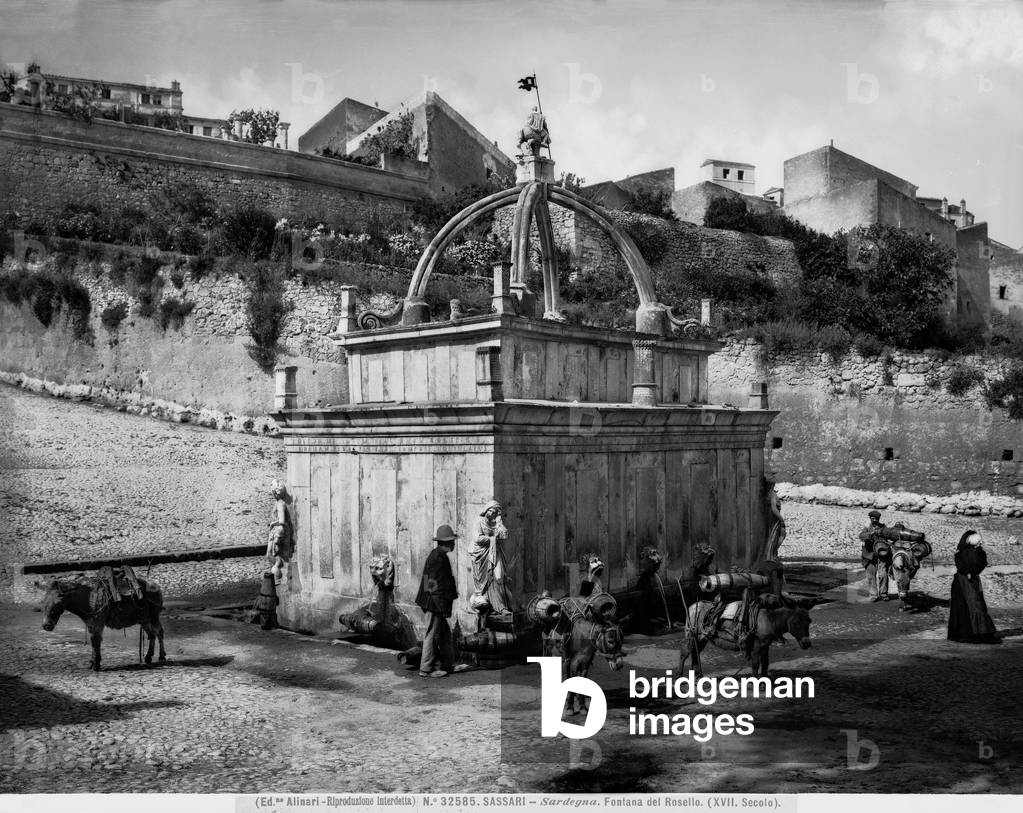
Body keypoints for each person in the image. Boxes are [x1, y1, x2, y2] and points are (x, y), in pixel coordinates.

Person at [415, 524, 469, 677]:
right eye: (451, 541)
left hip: (433, 601)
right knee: (431, 633)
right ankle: (425, 669)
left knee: (444, 634)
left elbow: (431, 583)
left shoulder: (438, 555)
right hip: (434, 603)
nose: (453, 543)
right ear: (445, 542)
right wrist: (442, 607)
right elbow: (432, 586)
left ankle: (447, 665)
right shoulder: (438, 558)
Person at [948, 530, 999, 643]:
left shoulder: (966, 552)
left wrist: (971, 571)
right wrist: (970, 572)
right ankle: (977, 634)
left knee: (972, 606)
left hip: (966, 581)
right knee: (973, 605)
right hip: (964, 583)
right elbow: (969, 566)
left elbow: (978, 565)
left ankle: (973, 633)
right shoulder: (967, 553)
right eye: (979, 542)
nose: (980, 544)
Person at [470, 500, 514, 615]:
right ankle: (492, 607)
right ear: (486, 510)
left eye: (496, 513)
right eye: (493, 511)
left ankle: (502, 607)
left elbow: (504, 535)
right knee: (484, 583)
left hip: (494, 553)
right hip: (481, 555)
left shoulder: (496, 523)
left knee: (499, 577)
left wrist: (499, 522)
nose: (494, 514)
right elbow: (477, 539)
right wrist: (493, 539)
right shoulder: (479, 523)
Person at [859, 510, 891, 601]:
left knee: (883, 574)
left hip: (882, 555)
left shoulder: (883, 527)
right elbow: (861, 536)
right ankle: (873, 595)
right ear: (870, 518)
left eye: (876, 519)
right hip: (869, 555)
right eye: (872, 518)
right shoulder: (867, 527)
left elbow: (889, 536)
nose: (874, 520)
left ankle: (884, 594)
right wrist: (870, 534)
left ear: (878, 519)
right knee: (870, 575)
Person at [266, 480, 293, 584]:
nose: (272, 494)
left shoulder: (280, 504)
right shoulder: (278, 503)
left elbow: (282, 521)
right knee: (269, 555)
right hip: (274, 531)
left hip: (277, 531)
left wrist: (273, 524)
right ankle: (277, 573)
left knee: (270, 554)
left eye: (273, 491)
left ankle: (278, 575)